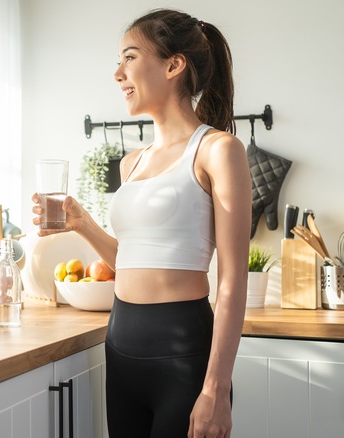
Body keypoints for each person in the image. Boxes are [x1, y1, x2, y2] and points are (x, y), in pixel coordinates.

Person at [32, 9, 251, 438]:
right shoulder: (132, 162)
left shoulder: (218, 150)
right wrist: (82, 224)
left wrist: (216, 388)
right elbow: (132, 263)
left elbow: (232, 281)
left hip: (183, 353)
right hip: (121, 346)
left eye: (129, 57)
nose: (118, 73)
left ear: (173, 65)